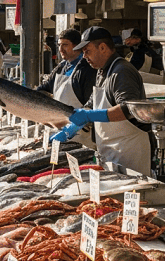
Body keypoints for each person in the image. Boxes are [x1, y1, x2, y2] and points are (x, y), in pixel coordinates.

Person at [52, 27, 152, 176]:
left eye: (87, 51)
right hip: (110, 151)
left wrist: (89, 116)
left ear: (103, 48)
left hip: (129, 152)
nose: (84, 56)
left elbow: (128, 109)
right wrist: (72, 127)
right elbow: (92, 103)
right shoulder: (102, 71)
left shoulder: (122, 71)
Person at [36, 29, 97, 145]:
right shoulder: (62, 67)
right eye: (59, 45)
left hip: (80, 136)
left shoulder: (87, 69)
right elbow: (45, 88)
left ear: (77, 46)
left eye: (65, 45)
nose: (60, 49)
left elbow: (91, 105)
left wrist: (70, 130)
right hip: (58, 128)